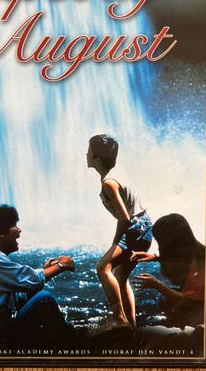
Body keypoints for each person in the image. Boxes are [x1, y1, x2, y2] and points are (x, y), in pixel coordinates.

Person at [0, 205, 75, 346]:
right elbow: (31, 279)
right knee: (44, 298)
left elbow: (21, 292)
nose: (19, 230)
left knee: (36, 295)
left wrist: (45, 271)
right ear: (1, 232)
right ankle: (71, 339)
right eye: (14, 225)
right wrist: (61, 266)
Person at [87, 134, 153, 330]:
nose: (86, 155)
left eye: (89, 152)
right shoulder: (117, 173)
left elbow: (124, 218)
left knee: (102, 268)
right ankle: (132, 327)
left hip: (135, 228)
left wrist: (115, 242)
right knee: (120, 276)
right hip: (145, 225)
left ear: (97, 159)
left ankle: (120, 319)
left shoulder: (109, 182)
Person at [132, 213, 206, 327]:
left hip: (202, 316)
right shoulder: (195, 253)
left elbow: (189, 302)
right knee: (164, 301)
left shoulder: (204, 265)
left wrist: (157, 285)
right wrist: (156, 257)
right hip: (197, 307)